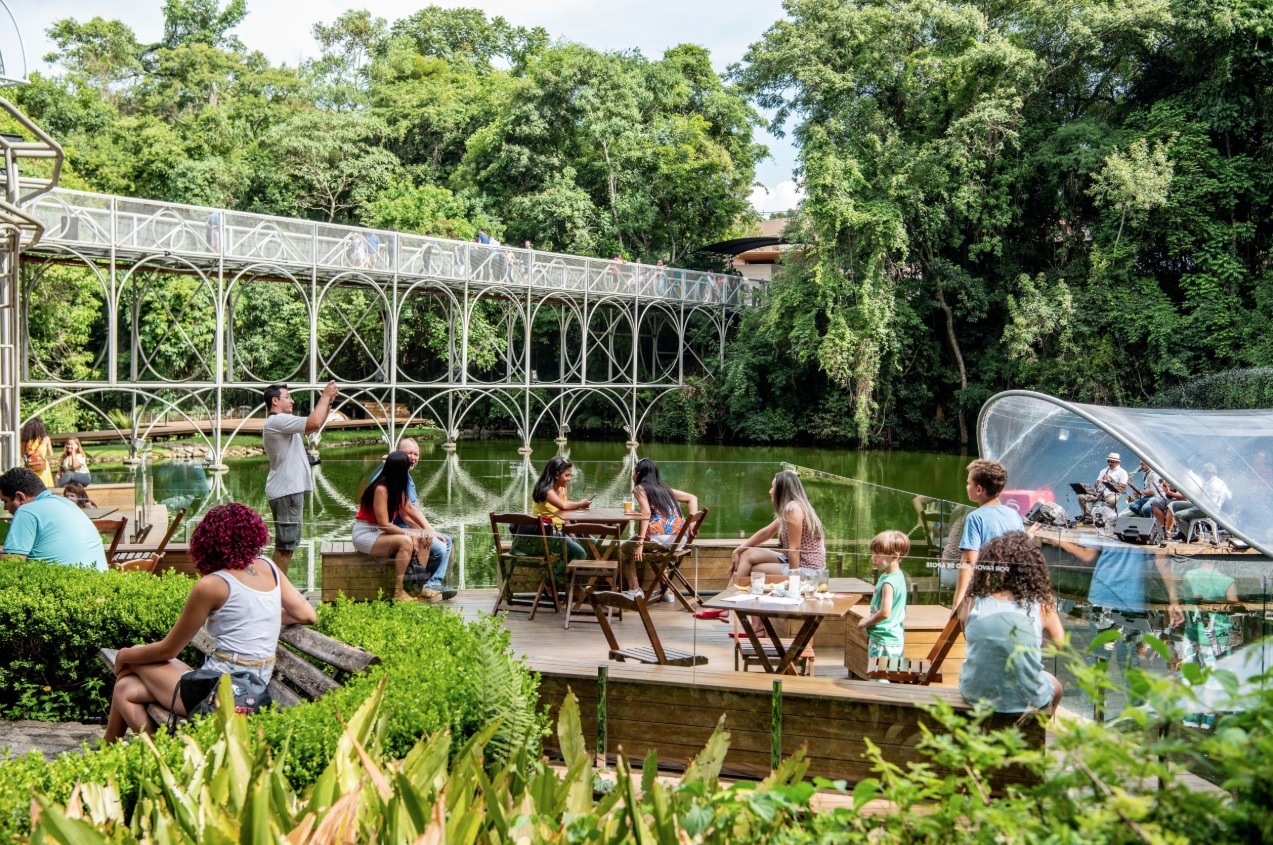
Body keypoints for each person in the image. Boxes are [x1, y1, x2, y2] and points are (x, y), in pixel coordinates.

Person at [103, 503, 316, 743]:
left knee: (131, 664)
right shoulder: (269, 567)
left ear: (207, 540)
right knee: (126, 690)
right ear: (253, 534)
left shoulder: (213, 585)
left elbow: (168, 650)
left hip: (220, 688)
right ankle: (151, 753)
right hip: (251, 685)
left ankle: (145, 755)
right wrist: (257, 615)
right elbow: (307, 614)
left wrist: (125, 655)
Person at [957, 531, 1065, 715]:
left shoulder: (973, 599)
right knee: (1056, 686)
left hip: (976, 694)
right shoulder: (1041, 604)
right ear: (1032, 569)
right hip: (1027, 698)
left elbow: (966, 630)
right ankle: (1038, 731)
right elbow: (1058, 646)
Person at [263, 381, 338, 573]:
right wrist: (324, 395)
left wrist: (328, 401)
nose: (292, 401)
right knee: (285, 546)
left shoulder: (281, 422)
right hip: (286, 491)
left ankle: (278, 592)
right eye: (287, 397)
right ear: (275, 401)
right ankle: (276, 594)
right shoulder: (277, 421)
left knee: (288, 545)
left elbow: (317, 421)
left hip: (289, 490)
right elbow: (313, 423)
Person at [353, 450, 442, 604]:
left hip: (380, 533)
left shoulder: (397, 487)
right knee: (406, 541)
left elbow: (408, 508)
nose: (409, 470)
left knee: (424, 538)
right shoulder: (381, 489)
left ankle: (417, 588)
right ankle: (399, 591)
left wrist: (426, 530)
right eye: (406, 467)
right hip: (366, 533)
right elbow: (385, 525)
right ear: (398, 469)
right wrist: (409, 533)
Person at [374, 437, 454, 600]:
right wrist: (426, 532)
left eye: (416, 454)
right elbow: (405, 513)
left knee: (447, 541)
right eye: (408, 453)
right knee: (438, 548)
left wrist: (429, 529)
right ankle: (420, 586)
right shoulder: (390, 477)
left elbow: (413, 509)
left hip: (404, 528)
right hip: (395, 528)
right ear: (397, 454)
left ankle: (432, 584)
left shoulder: (405, 476)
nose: (412, 457)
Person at [951, 459, 1024, 611]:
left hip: (985, 593)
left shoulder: (975, 517)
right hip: (1010, 591)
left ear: (979, 490)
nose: (966, 486)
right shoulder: (1015, 515)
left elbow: (969, 561)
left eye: (968, 483)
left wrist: (958, 602)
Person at [0, 467, 107, 570]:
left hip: (63, 584)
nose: (5, 507)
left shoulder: (26, 511)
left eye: (5, 501)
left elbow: (10, 565)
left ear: (20, 497)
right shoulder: (67, 503)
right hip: (100, 581)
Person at [730, 470, 827, 580]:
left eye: (773, 487)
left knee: (754, 569)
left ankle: (731, 593)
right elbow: (766, 532)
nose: (770, 491)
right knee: (747, 554)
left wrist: (793, 585)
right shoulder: (792, 508)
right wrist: (738, 550)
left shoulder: (793, 509)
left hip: (809, 571)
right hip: (794, 562)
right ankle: (730, 592)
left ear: (782, 490)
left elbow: (794, 549)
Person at [623, 457, 699, 596]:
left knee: (623, 549)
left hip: (660, 540)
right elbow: (692, 498)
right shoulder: (665, 489)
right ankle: (667, 592)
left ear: (639, 473)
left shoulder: (639, 489)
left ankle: (635, 590)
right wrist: (692, 522)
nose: (632, 475)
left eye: (633, 472)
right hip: (680, 541)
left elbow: (646, 512)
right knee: (659, 554)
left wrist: (639, 543)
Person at [519, 456, 591, 576]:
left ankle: (576, 582)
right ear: (557, 474)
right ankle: (551, 581)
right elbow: (563, 506)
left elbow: (565, 513)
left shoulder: (562, 488)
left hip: (561, 529)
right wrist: (581, 504)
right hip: (547, 534)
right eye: (567, 475)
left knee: (591, 542)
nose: (569, 479)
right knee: (580, 553)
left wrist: (571, 531)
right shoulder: (546, 491)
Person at [857, 530, 910, 673]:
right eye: (873, 554)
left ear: (894, 556)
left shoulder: (889, 583)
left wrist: (866, 622)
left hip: (883, 640)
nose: (873, 558)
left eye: (878, 555)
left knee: (880, 677)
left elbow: (885, 613)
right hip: (894, 637)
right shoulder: (897, 577)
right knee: (891, 674)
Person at [1181, 560, 1238, 668]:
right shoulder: (1227, 581)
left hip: (1194, 634)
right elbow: (1233, 607)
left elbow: (1187, 599)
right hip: (1220, 636)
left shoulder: (1189, 576)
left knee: (1190, 677)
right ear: (1217, 562)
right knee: (1218, 677)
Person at [1169, 463, 1232, 542]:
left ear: (1210, 473)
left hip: (1205, 510)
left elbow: (1207, 502)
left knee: (1178, 515)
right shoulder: (1220, 482)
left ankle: (1191, 537)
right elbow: (1229, 496)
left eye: (1204, 473)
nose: (1203, 475)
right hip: (1202, 506)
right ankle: (1184, 530)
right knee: (1176, 505)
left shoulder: (1213, 485)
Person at [1078, 452, 1128, 521]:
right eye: (1108, 461)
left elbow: (1124, 487)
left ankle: (1104, 519)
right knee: (1081, 496)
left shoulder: (1122, 472)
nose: (1110, 463)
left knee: (1113, 501)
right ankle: (1088, 517)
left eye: (1112, 462)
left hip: (1112, 494)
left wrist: (1110, 480)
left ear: (1117, 462)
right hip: (1099, 493)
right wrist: (1097, 484)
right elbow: (1096, 485)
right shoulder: (1104, 470)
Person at [21, 417, 54, 489]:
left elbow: (22, 455)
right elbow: (51, 454)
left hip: (30, 466)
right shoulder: (45, 439)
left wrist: (26, 460)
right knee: (44, 487)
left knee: (32, 488)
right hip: (43, 467)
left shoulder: (25, 440)